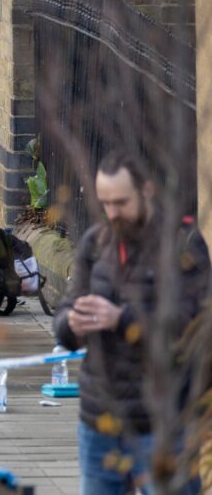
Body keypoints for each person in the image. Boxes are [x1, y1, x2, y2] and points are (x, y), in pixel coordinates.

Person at [53, 151, 210, 494]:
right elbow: (63, 318)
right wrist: (72, 324)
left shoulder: (183, 244)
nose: (112, 213)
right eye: (105, 203)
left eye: (121, 202)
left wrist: (121, 319)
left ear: (146, 191)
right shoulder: (95, 243)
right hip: (99, 420)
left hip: (165, 423)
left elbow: (193, 329)